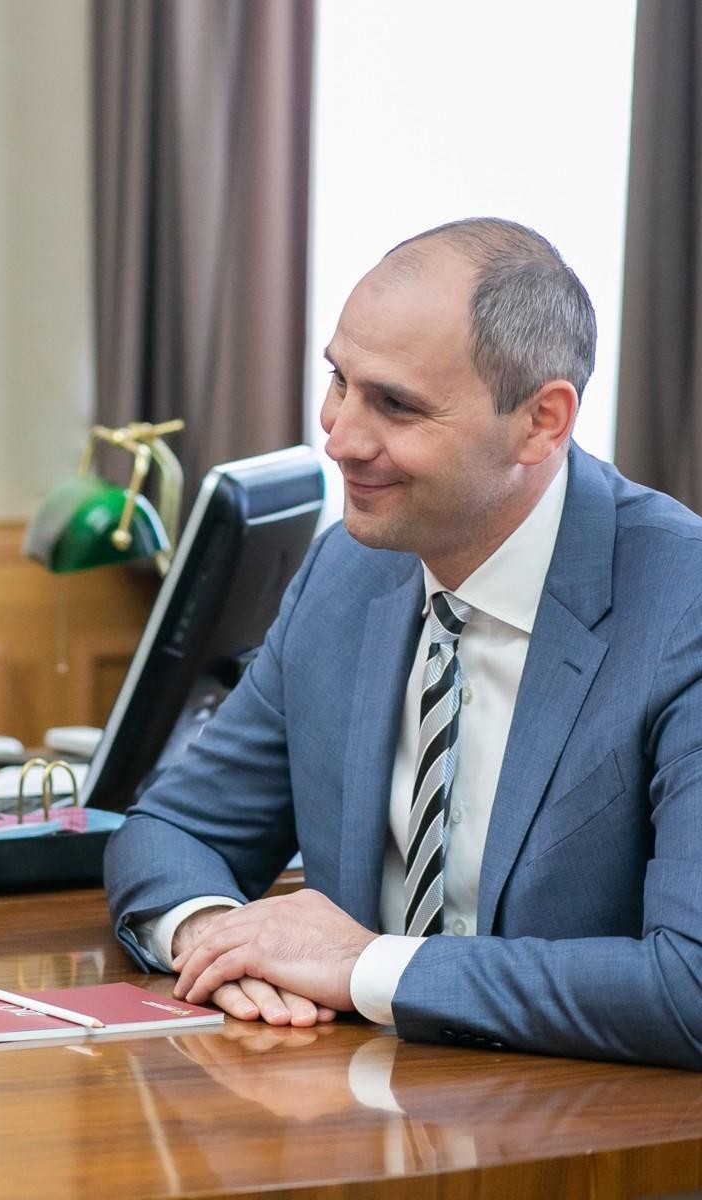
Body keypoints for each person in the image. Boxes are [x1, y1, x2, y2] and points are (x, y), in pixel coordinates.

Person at [104, 217, 702, 1070]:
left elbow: (690, 985)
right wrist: (219, 940)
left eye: (395, 405)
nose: (339, 437)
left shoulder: (683, 606)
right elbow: (172, 828)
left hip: (586, 1125)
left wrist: (365, 968)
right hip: (339, 1101)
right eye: (339, 381)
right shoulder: (345, 573)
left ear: (542, 422)